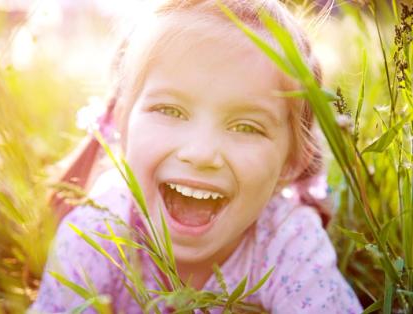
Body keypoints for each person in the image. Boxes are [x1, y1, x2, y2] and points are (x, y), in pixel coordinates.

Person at [29, 0, 363, 313]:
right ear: (122, 124)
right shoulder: (98, 232)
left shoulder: (289, 242)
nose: (201, 153)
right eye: (170, 110)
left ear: (291, 162)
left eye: (246, 127)